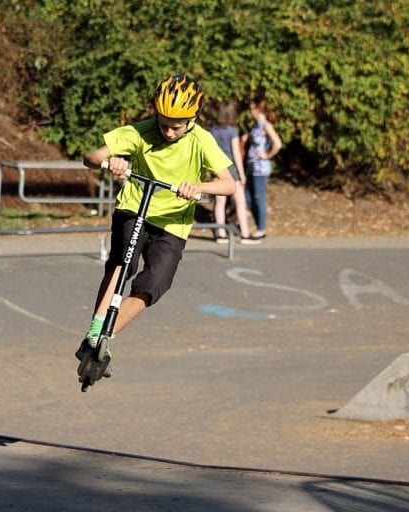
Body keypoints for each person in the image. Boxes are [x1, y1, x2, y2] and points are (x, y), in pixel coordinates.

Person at [77, 74, 236, 371]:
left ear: (192, 119)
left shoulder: (202, 140)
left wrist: (198, 188)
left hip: (173, 222)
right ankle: (93, 332)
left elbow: (229, 185)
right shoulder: (141, 132)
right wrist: (111, 161)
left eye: (176, 126)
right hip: (135, 207)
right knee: (122, 264)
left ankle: (105, 338)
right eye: (163, 123)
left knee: (155, 284)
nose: (169, 131)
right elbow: (91, 156)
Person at [208, 102, 260, 244]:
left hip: (216, 168)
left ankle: (220, 233)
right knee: (240, 201)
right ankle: (244, 234)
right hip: (230, 168)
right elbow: (236, 154)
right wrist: (242, 174)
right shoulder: (232, 131)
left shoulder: (212, 131)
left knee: (219, 203)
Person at [241, 95, 282, 240]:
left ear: (259, 109)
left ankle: (261, 229)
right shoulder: (256, 125)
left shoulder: (266, 125)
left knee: (259, 197)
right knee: (248, 197)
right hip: (251, 166)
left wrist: (267, 155)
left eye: (252, 108)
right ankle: (258, 225)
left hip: (261, 168)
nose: (250, 111)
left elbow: (278, 143)